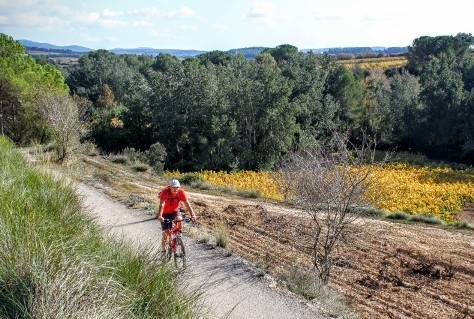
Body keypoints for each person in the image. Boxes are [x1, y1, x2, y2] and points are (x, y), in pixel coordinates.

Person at [157, 179, 196, 252]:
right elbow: (161, 204)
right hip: (165, 213)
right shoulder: (165, 192)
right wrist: (160, 215)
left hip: (175, 211)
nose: (175, 189)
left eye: (177, 187)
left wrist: (192, 215)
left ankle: (177, 239)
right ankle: (163, 247)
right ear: (170, 187)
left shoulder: (181, 192)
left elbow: (187, 203)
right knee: (166, 232)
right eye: (173, 187)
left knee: (179, 221)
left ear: (179, 187)